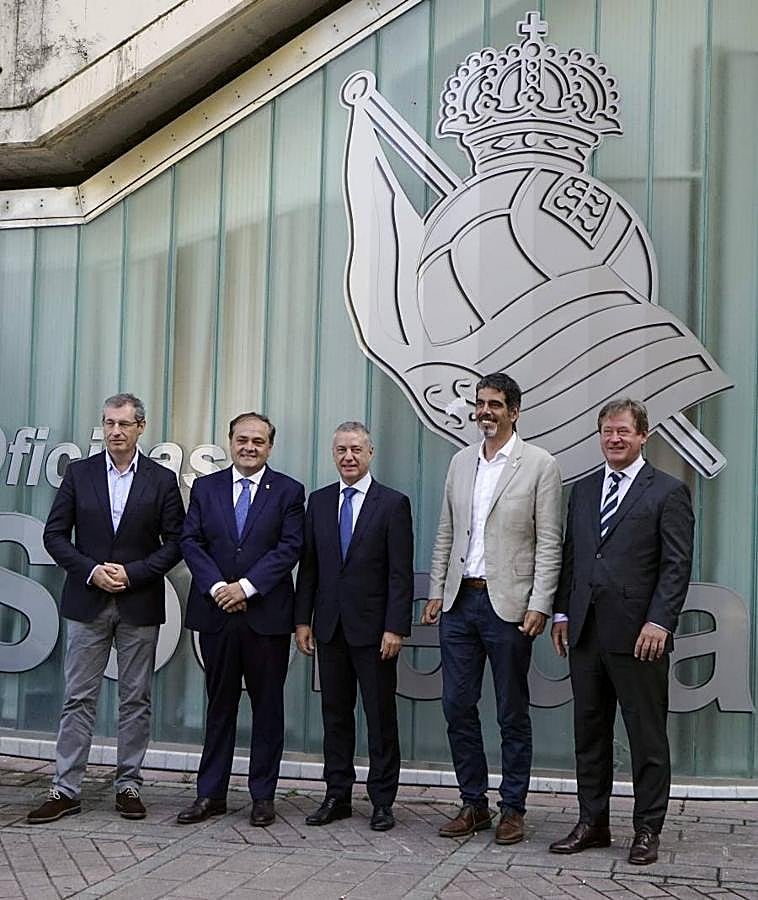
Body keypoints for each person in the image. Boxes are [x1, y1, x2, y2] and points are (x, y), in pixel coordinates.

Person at [550, 398, 694, 865]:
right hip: (587, 633)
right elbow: (575, 556)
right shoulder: (586, 489)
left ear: (643, 436)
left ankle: (647, 829)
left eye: (623, 432)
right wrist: (562, 613)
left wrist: (660, 621)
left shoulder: (667, 491)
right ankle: (593, 822)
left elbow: (676, 566)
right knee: (589, 734)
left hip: (640, 637)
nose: (614, 439)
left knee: (646, 737)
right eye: (608, 431)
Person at [28, 393, 185, 824]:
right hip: (88, 599)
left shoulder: (162, 480)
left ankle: (128, 784)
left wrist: (133, 573)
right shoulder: (79, 474)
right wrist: (92, 571)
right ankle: (65, 789)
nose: (115, 431)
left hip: (138, 601)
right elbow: (55, 536)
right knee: (78, 697)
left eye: (124, 424)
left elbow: (176, 543)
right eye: (109, 423)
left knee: (136, 698)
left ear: (141, 427)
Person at [421, 373, 563, 844]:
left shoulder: (539, 465)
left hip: (510, 605)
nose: (484, 412)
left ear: (514, 411)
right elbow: (447, 530)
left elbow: (550, 543)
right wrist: (438, 591)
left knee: (510, 711)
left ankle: (514, 808)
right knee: (457, 704)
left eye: (495, 404)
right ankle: (473, 803)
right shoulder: (461, 463)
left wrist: (540, 603)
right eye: (480, 404)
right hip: (462, 602)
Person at [177, 412, 304, 828]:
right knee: (220, 706)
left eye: (259, 441)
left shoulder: (288, 491)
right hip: (217, 615)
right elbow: (191, 541)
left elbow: (289, 548)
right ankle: (210, 793)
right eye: (243, 439)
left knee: (268, 709)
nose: (250, 447)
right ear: (230, 441)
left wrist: (246, 587)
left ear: (271, 446)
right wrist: (218, 588)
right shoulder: (205, 487)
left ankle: (263, 797)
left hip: (264, 616)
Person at [294, 422, 413, 832]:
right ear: (333, 454)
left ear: (370, 453)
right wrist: (301, 621)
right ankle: (337, 795)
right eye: (342, 450)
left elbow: (400, 574)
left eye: (356, 449)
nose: (349, 457)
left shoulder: (393, 504)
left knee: (380, 717)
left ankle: (382, 801)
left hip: (375, 631)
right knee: (335, 715)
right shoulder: (320, 501)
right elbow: (309, 568)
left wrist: (395, 627)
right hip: (329, 628)